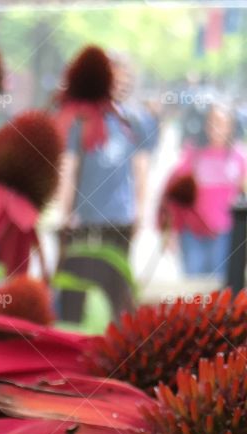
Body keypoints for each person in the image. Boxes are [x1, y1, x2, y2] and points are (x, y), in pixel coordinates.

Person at [55, 56, 158, 322]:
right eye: (115, 78)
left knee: (116, 289)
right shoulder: (80, 119)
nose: (120, 85)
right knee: (74, 289)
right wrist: (65, 211)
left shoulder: (136, 121)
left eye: (125, 79)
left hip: (119, 219)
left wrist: (141, 211)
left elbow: (141, 169)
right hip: (84, 218)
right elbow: (69, 165)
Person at [174, 103, 246, 277]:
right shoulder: (193, 153)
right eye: (212, 122)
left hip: (225, 234)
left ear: (231, 126)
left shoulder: (239, 156)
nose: (216, 127)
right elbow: (178, 194)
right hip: (193, 233)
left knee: (219, 287)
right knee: (193, 287)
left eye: (222, 123)